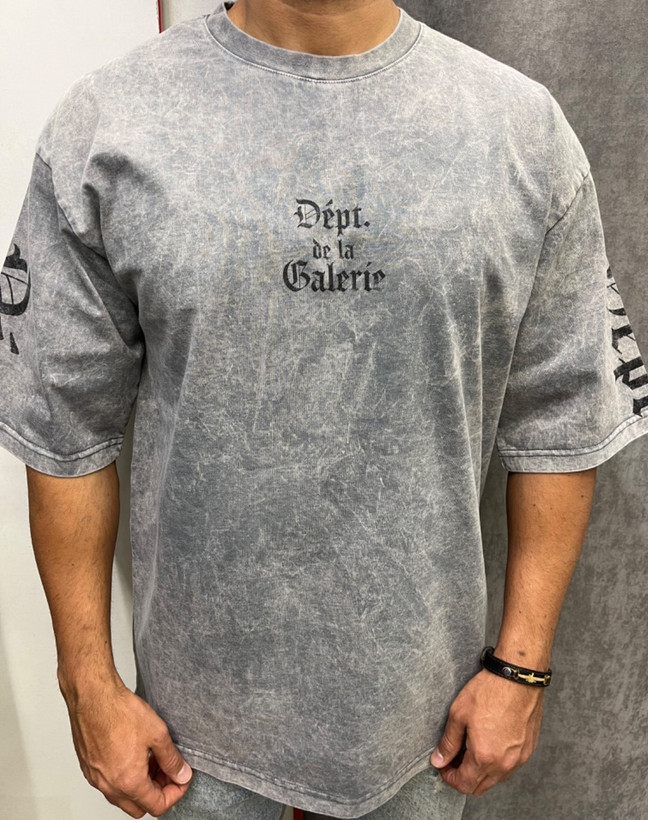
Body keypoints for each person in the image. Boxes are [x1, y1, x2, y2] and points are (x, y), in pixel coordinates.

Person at [2, 0, 647, 818]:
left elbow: (561, 417)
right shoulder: (108, 126)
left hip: (426, 735)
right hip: (189, 744)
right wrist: (87, 684)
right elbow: (64, 428)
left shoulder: (521, 133)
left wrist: (521, 670)